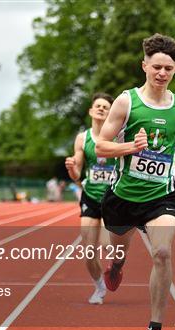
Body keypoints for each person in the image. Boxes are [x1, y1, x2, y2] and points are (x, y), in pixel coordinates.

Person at [95, 33, 175, 330]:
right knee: (118, 248)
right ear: (144, 66)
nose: (162, 73)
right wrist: (132, 147)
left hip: (162, 195)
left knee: (163, 254)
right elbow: (101, 145)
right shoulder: (127, 102)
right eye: (157, 66)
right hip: (124, 195)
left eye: (168, 68)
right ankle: (116, 265)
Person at [65, 92, 115, 304]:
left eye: (106, 106)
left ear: (111, 112)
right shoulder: (82, 138)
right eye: (98, 105)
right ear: (91, 111)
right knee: (88, 251)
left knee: (107, 245)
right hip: (90, 196)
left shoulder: (117, 136)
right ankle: (99, 287)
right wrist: (71, 170)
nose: (102, 108)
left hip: (112, 197)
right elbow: (77, 173)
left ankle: (116, 266)